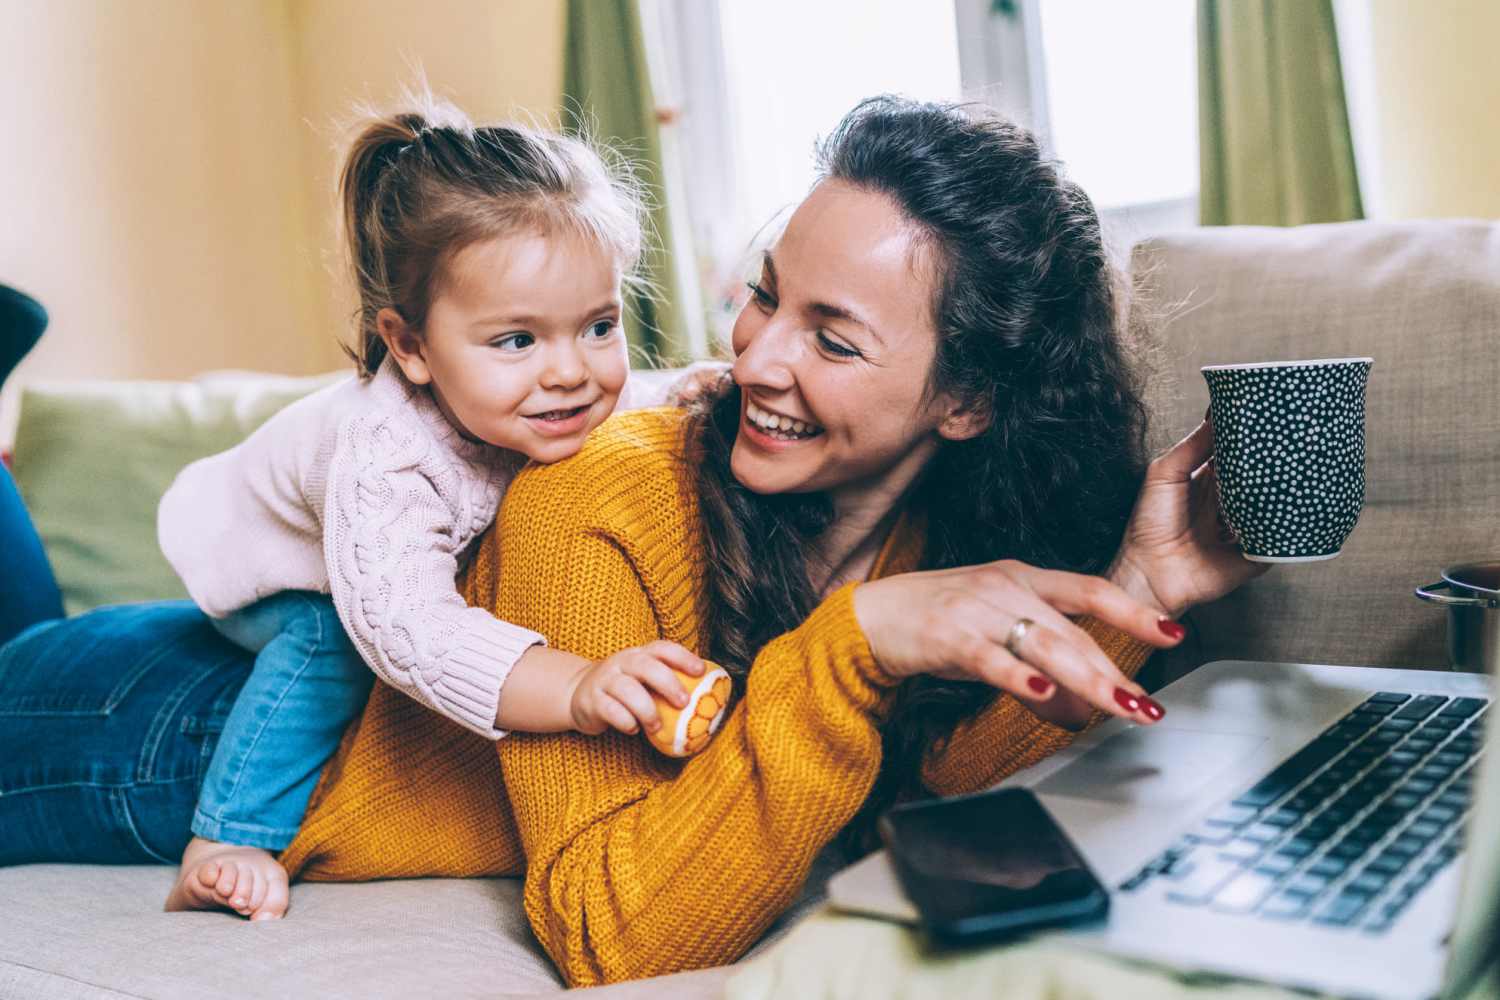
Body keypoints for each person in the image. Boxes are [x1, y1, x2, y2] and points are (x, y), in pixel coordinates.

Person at [0, 97, 1262, 984]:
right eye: (768, 291)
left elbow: (942, 789)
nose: (755, 352)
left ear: (966, 402)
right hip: (160, 732)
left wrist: (1132, 594)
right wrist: (846, 652)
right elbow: (612, 929)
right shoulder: (593, 489)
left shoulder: (922, 530)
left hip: (185, 700)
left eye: (831, 335)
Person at [7, 98, 718, 923]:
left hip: (350, 551)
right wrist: (576, 684)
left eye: (598, 325)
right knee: (328, 643)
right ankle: (229, 833)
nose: (572, 371)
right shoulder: (387, 457)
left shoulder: (562, 390)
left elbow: (638, 393)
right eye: (518, 340)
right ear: (410, 346)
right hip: (266, 563)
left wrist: (700, 390)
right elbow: (408, 634)